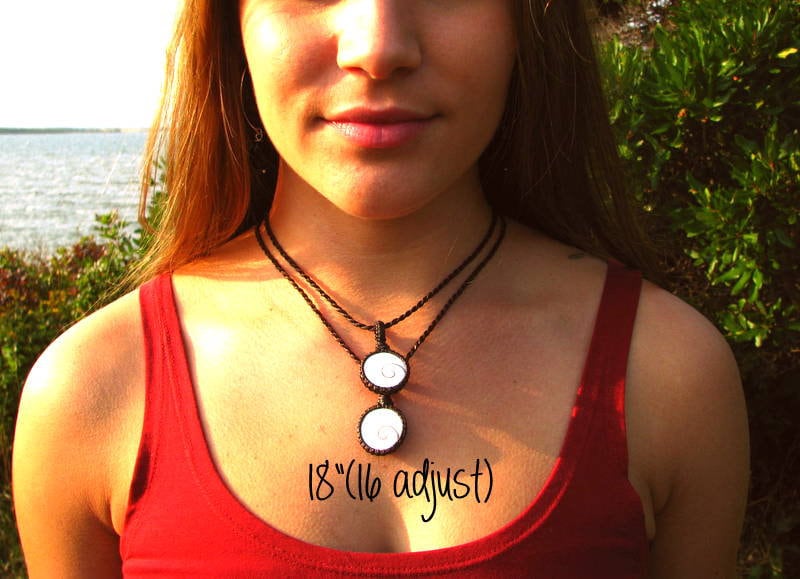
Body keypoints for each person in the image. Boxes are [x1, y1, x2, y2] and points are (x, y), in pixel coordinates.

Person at [13, 0, 749, 577]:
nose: (377, 47)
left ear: (527, 21)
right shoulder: (91, 392)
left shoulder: (669, 373)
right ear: (231, 24)